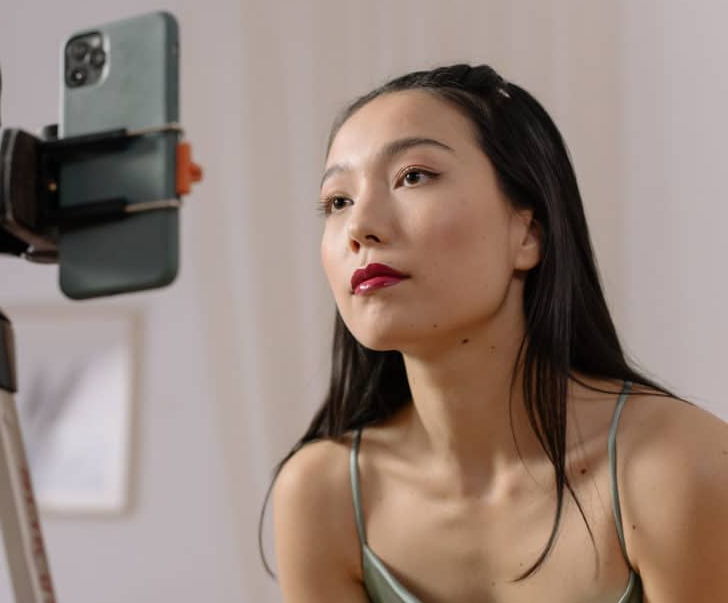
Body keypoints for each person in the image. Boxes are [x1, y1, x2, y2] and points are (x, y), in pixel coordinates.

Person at [260, 63, 728, 603]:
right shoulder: (323, 495)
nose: (360, 226)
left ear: (527, 232)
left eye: (413, 175)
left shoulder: (677, 467)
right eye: (337, 201)